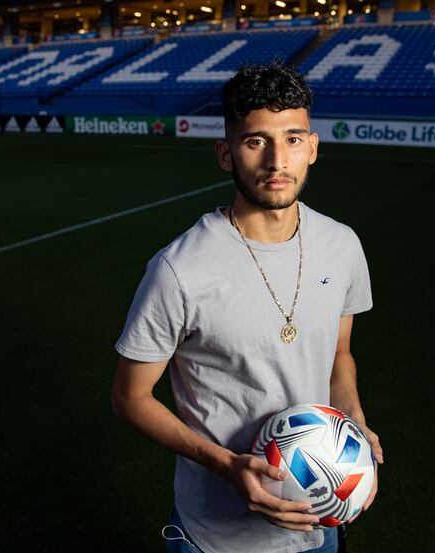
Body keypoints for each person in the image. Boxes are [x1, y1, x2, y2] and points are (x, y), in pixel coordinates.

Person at [111, 62, 383, 553]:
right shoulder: (179, 270)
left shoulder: (342, 245)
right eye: (256, 141)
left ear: (313, 147)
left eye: (294, 139)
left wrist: (354, 425)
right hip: (219, 536)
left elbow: (339, 355)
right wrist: (226, 465)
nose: (278, 160)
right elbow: (130, 397)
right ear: (225, 153)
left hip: (318, 522)